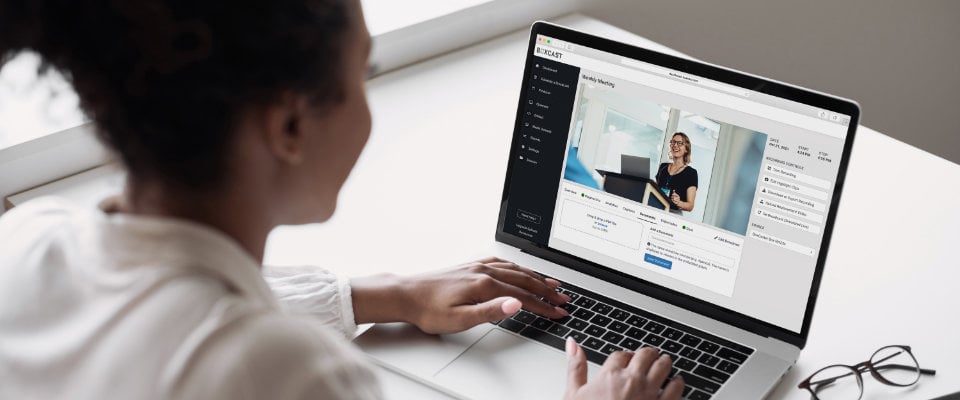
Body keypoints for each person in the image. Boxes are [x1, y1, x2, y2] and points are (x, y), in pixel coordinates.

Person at [0, 1, 683, 399]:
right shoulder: (287, 373)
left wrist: (381, 294)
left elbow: (163, 297)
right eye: (365, 72)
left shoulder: (28, 239)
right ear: (290, 126)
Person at [656, 133, 698, 213]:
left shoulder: (691, 173)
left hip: (673, 213)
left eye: (680, 143)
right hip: (656, 207)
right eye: (673, 142)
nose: (675, 145)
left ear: (686, 149)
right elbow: (655, 190)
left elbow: (690, 206)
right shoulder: (663, 167)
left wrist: (679, 202)